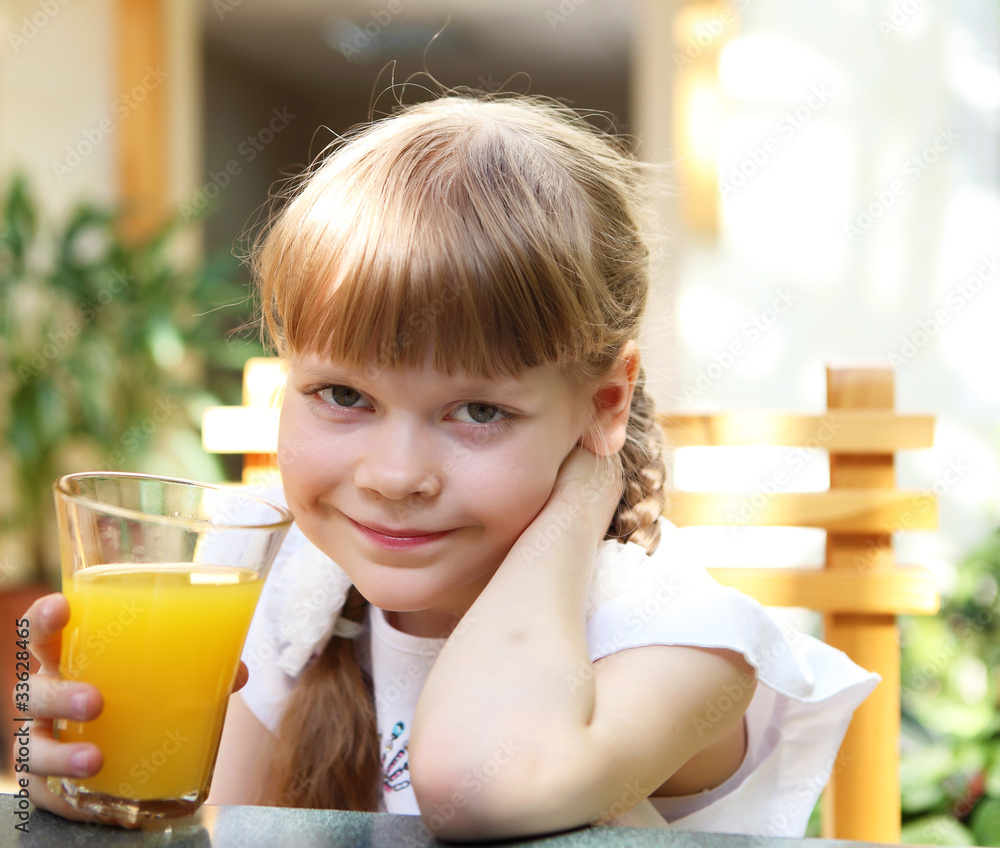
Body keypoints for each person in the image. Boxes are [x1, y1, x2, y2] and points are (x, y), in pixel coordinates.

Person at [18, 92, 878, 839]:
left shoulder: (681, 642)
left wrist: (585, 499)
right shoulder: (291, 598)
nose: (395, 475)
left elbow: (479, 785)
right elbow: (229, 826)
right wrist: (88, 789)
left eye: (478, 412)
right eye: (342, 395)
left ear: (605, 405)